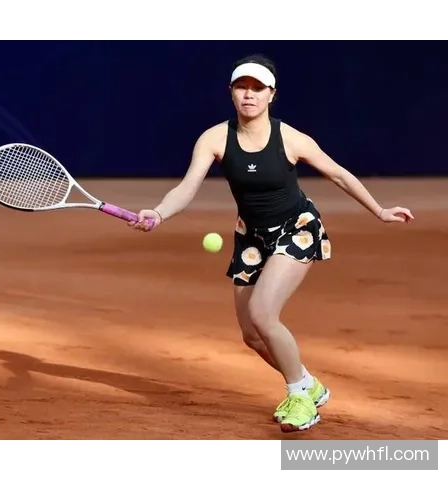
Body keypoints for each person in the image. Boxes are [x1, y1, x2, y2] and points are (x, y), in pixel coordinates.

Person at [128, 54, 414, 433]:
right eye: (242, 87)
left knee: (263, 313)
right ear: (231, 92)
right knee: (251, 334)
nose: (249, 95)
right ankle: (309, 384)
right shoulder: (214, 138)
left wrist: (379, 210)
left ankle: (300, 398)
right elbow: (187, 187)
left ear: (271, 95)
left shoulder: (290, 138)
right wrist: (160, 212)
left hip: (297, 228)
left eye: (257, 88)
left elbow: (339, 175)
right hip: (251, 237)